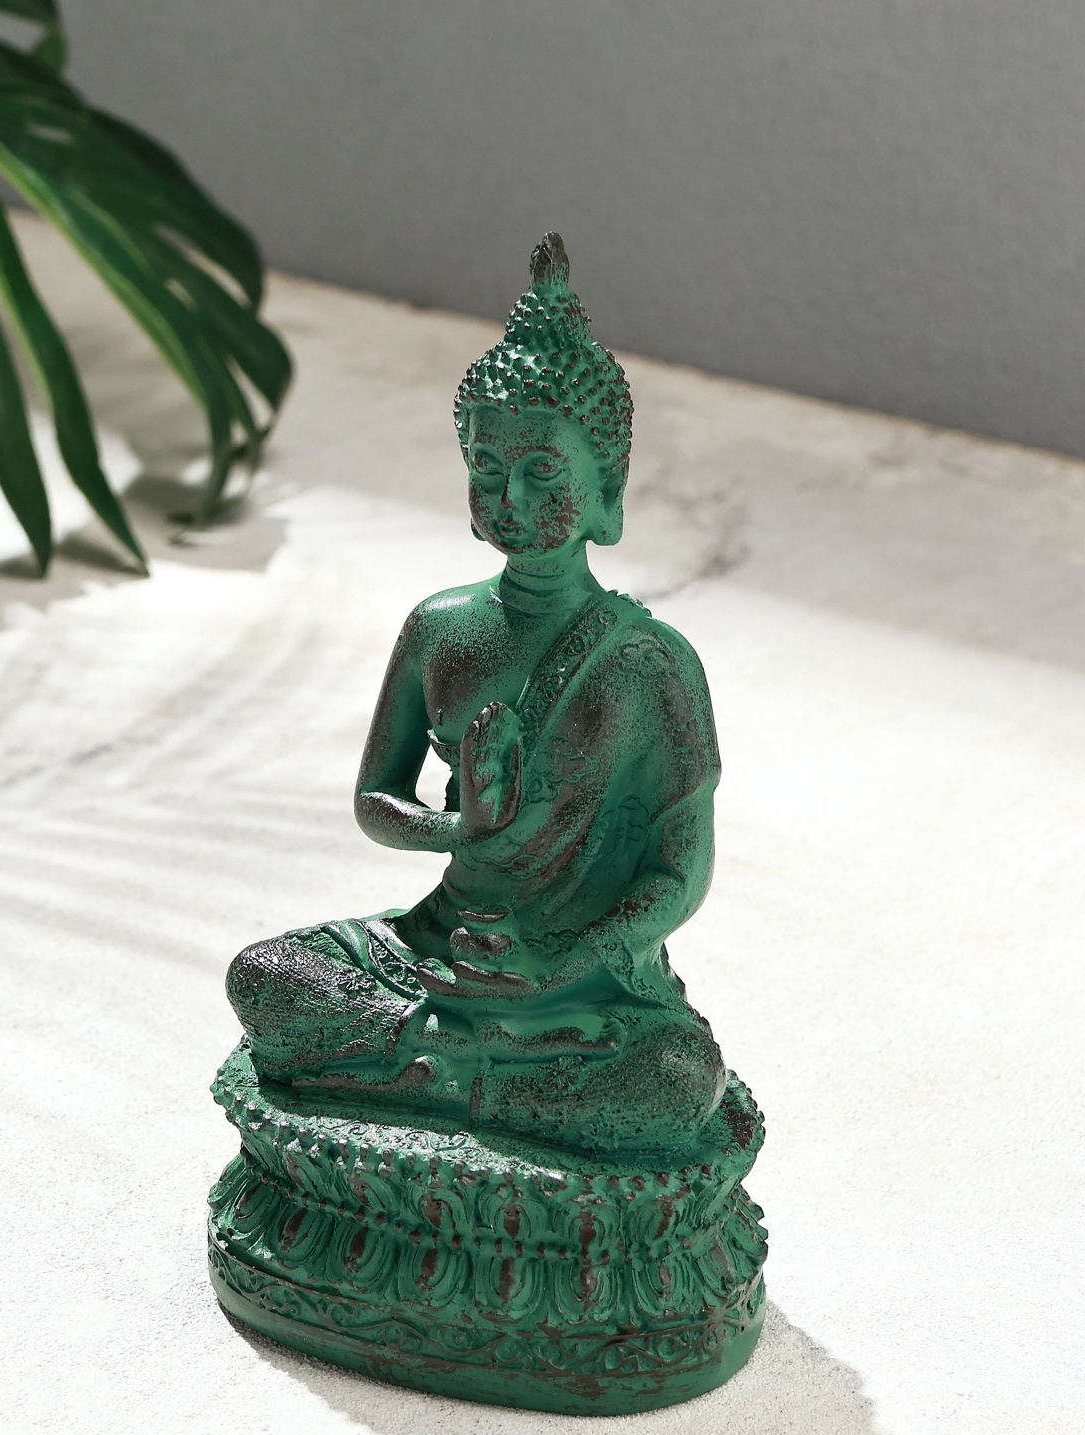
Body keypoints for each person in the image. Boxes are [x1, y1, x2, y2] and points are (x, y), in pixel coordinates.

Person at [227, 235, 726, 1157]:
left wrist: (565, 961)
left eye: (543, 472)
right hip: (440, 949)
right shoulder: (440, 628)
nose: (510, 496)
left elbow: (679, 873)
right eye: (487, 468)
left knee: (676, 1083)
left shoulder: (652, 664)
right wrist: (460, 828)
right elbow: (377, 799)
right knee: (266, 976)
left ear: (606, 487)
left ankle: (429, 1075)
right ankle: (480, 1079)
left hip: (582, 977)